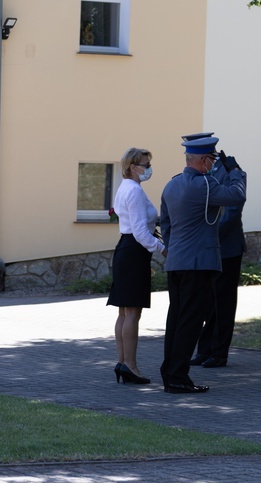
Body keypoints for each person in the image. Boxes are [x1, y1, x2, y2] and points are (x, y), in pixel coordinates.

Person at [159, 136, 246, 394]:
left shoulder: (172, 184)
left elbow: (166, 225)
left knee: (176, 319)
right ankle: (177, 377)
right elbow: (237, 196)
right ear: (203, 160)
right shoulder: (204, 185)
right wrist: (236, 172)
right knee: (191, 322)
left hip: (177, 262)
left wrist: (176, 249)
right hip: (198, 264)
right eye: (210, 159)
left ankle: (170, 372)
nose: (212, 164)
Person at [183, 133, 248, 369]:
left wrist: (206, 234)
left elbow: (231, 212)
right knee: (206, 302)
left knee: (223, 302)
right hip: (208, 247)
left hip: (226, 246)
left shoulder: (231, 171)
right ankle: (204, 349)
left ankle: (219, 352)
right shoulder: (200, 171)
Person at [107, 148, 166, 385]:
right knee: (132, 312)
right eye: (145, 163)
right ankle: (130, 365)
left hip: (127, 249)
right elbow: (141, 231)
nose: (148, 167)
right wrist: (162, 249)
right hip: (134, 252)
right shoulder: (134, 192)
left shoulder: (126, 188)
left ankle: (123, 362)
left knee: (124, 311)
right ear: (133, 166)